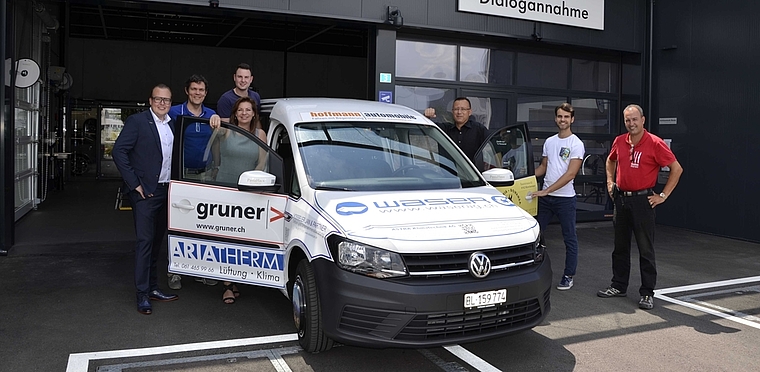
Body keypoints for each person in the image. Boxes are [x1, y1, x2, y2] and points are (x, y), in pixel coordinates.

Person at [597, 104, 683, 310]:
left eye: (635, 119)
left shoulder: (655, 143)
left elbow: (676, 169)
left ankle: (647, 293)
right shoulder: (620, 141)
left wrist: (663, 195)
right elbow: (610, 162)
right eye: (628, 120)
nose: (631, 123)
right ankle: (618, 285)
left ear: (643, 120)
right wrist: (610, 182)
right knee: (620, 247)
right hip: (622, 200)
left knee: (645, 249)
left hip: (643, 201)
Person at [112, 85, 183, 315]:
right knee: (144, 243)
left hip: (165, 192)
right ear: (150, 100)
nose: (163, 104)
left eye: (167, 100)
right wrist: (135, 184)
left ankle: (153, 288)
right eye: (158, 99)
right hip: (144, 194)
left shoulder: (171, 124)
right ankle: (142, 294)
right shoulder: (138, 121)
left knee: (155, 243)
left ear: (171, 103)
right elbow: (119, 152)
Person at [166, 74, 221, 290]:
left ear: (206, 93)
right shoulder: (173, 112)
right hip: (179, 176)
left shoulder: (211, 115)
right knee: (178, 225)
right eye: (194, 89)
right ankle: (175, 271)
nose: (197, 93)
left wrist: (217, 167)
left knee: (203, 225)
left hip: (204, 176)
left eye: (201, 90)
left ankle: (201, 270)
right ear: (187, 91)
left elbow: (217, 142)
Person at [212, 96, 267, 304]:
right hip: (226, 191)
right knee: (225, 239)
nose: (244, 113)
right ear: (235, 113)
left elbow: (262, 163)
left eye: (248, 110)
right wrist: (216, 118)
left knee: (241, 241)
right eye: (240, 110)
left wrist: (254, 185)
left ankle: (236, 280)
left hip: (249, 193)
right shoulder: (226, 130)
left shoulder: (260, 134)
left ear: (254, 114)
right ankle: (226, 285)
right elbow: (215, 150)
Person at [529, 103, 585, 291]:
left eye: (566, 117)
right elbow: (543, 168)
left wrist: (547, 190)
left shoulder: (576, 143)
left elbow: (571, 174)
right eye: (560, 116)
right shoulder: (550, 142)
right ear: (555, 118)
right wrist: (521, 176)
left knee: (569, 238)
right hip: (546, 199)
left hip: (565, 199)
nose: (563, 120)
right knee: (536, 236)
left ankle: (568, 275)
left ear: (572, 119)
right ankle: (532, 271)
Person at [424, 97, 488, 162]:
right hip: (448, 171)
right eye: (456, 109)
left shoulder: (479, 129)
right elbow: (426, 126)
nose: (459, 112)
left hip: (472, 171)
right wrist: (426, 117)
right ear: (452, 111)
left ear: (469, 112)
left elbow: (493, 145)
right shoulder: (445, 129)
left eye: (463, 109)